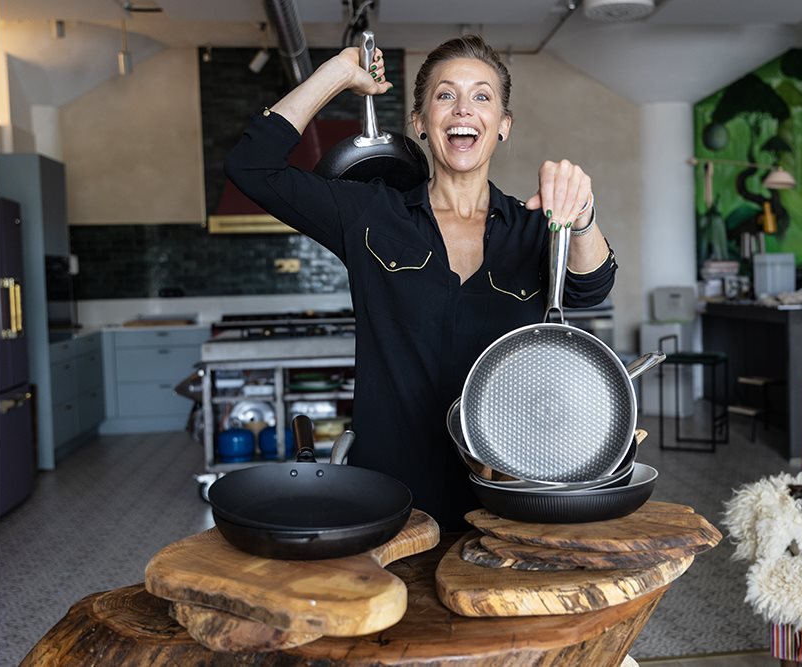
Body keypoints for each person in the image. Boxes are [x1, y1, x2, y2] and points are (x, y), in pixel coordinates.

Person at [225, 35, 617, 532]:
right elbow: (252, 166)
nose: (463, 109)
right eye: (445, 94)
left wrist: (581, 214)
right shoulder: (370, 212)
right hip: (389, 493)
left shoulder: (535, 227)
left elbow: (590, 287)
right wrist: (337, 73)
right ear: (420, 123)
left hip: (508, 486)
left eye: (481, 96)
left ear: (503, 125)